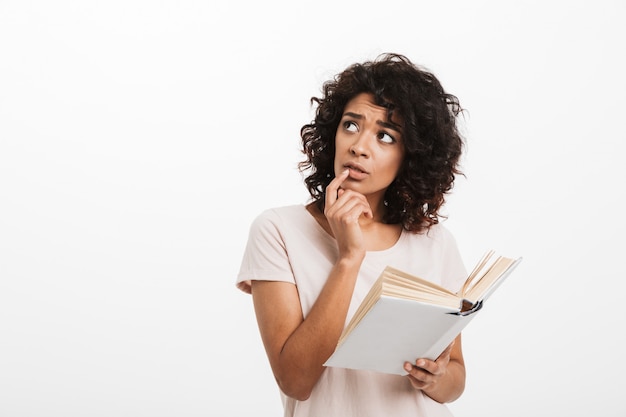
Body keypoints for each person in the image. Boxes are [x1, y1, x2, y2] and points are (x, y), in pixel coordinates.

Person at [236, 53, 468, 417]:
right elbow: (295, 380)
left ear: (412, 155)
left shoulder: (435, 243)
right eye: (350, 125)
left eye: (386, 136)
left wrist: (435, 377)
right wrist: (348, 259)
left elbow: (456, 378)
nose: (359, 146)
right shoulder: (278, 231)